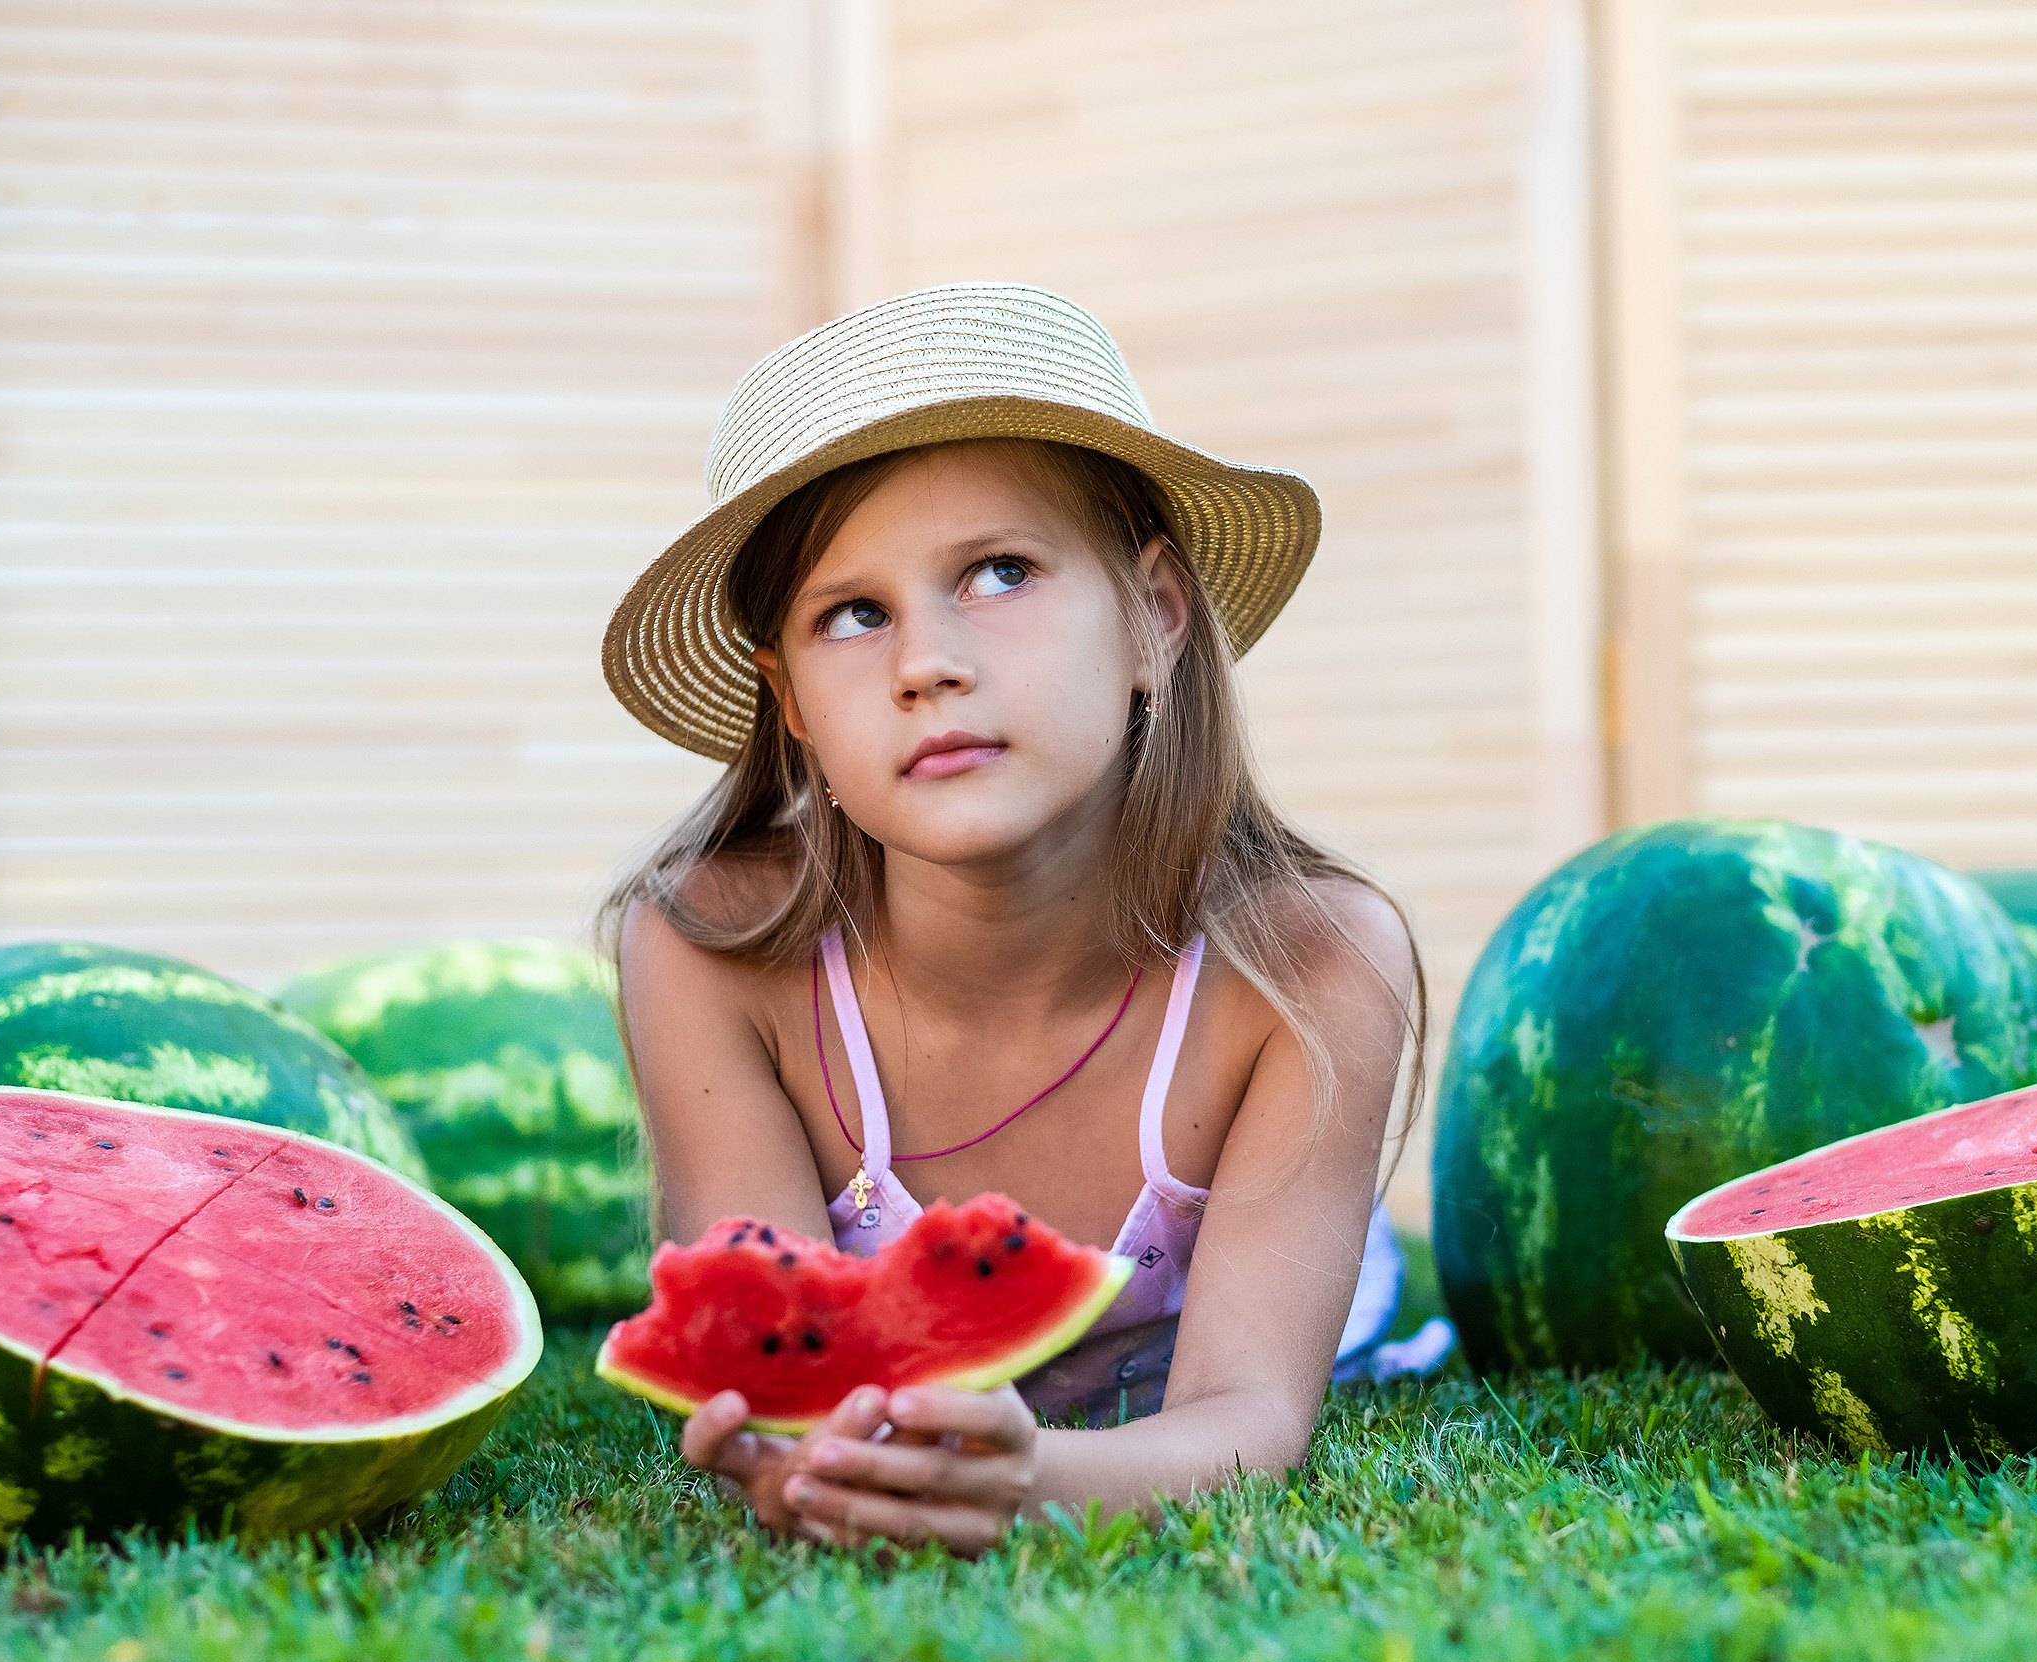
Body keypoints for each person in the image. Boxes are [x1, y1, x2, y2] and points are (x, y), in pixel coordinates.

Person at [598, 282, 1445, 1557]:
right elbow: (783, 1365)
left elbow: (1252, 1414)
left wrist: (1028, 1482)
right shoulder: (710, 955)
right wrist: (801, 1457)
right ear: (790, 704)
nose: (925, 661)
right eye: (854, 612)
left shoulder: (1310, 964)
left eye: (999, 572)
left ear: (1156, 619)